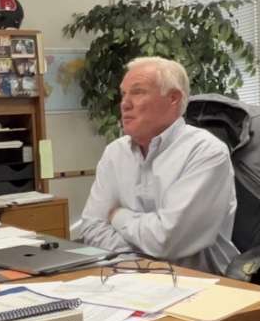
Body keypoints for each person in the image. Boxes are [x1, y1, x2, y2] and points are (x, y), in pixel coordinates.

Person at [79, 56, 238, 275]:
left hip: (199, 284)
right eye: (123, 94)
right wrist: (137, 264)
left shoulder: (205, 152)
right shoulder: (115, 153)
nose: (124, 103)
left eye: (138, 92)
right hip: (129, 278)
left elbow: (167, 240)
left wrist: (118, 216)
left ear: (173, 98)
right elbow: (92, 226)